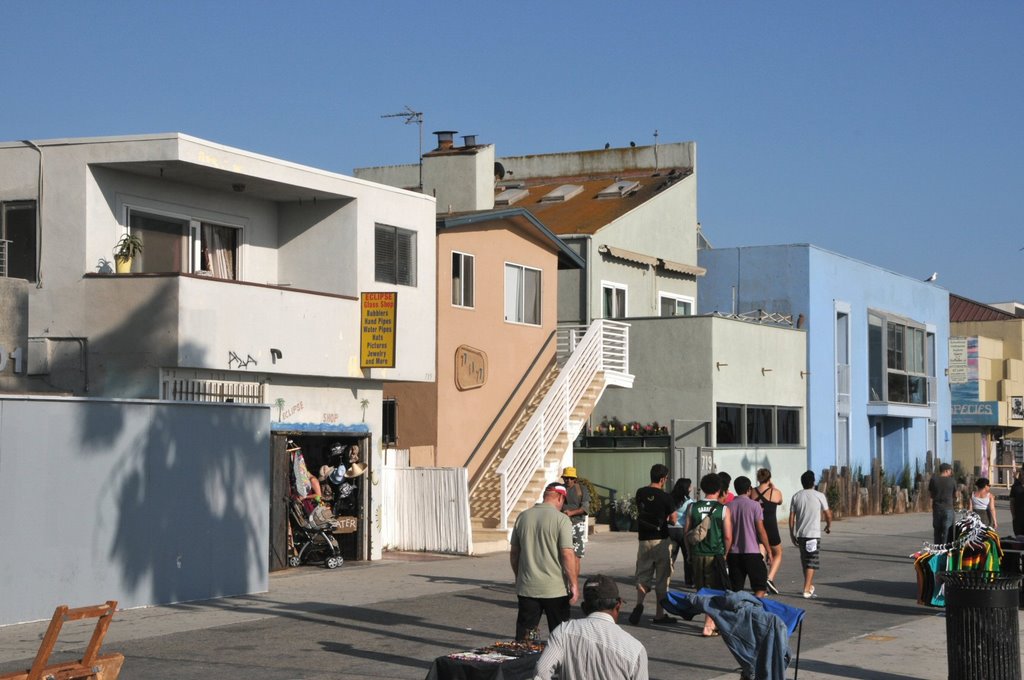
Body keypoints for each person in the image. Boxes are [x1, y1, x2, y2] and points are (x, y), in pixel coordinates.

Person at [532, 574, 649, 680]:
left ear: (583, 607)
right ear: (617, 606)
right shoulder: (635, 650)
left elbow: (541, 674)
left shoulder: (563, 632)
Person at [510, 482, 579, 641]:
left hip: (528, 587)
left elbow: (514, 553)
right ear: (561, 498)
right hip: (555, 589)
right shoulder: (562, 520)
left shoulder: (523, 516)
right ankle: (557, 664)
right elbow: (567, 554)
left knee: (527, 634)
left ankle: (525, 660)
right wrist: (574, 584)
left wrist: (518, 576)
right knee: (559, 635)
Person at [628, 464, 677, 626]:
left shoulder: (640, 493)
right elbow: (674, 519)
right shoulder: (666, 497)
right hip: (661, 540)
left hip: (644, 540)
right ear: (663, 479)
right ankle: (659, 614)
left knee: (643, 574)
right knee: (662, 578)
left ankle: (639, 604)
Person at [686, 472, 732, 636]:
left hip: (698, 553)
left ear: (703, 488)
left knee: (702, 588)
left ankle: (710, 621)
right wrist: (726, 553)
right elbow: (727, 536)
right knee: (715, 589)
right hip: (715, 554)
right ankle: (708, 625)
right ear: (719, 489)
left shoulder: (693, 507)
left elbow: (687, 533)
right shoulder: (723, 509)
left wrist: (690, 553)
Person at [789, 470, 832, 599]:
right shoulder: (819, 495)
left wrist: (792, 534)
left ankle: (809, 585)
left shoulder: (796, 496)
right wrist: (828, 525)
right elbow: (828, 513)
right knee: (811, 561)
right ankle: (806, 589)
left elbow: (792, 517)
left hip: (801, 534)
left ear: (802, 483)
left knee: (805, 560)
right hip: (813, 534)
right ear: (813, 482)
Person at [727, 476, 772, 597]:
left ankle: (736, 611)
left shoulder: (728, 506)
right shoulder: (755, 506)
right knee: (760, 587)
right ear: (749, 489)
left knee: (735, 589)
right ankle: (755, 609)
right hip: (752, 552)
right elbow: (761, 530)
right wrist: (769, 551)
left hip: (733, 553)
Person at [751, 468, 784, 594]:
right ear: (769, 479)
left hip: (757, 526)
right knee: (778, 553)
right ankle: (769, 578)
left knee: (761, 555)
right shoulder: (774, 492)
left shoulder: (752, 492)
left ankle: (761, 582)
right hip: (771, 526)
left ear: (758, 478)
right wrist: (773, 487)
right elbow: (780, 501)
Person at [561, 466, 590, 569]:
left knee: (576, 556)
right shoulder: (560, 489)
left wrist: (571, 513)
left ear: (575, 479)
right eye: (566, 478)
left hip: (577, 525)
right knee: (562, 555)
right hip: (562, 525)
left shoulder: (581, 489)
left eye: (571, 478)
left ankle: (574, 583)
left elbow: (585, 508)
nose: (568, 480)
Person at [667, 478, 694, 584]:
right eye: (690, 486)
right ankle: (689, 581)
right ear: (687, 488)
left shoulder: (669, 498)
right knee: (687, 556)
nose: (691, 488)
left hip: (670, 530)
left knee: (670, 557)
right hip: (683, 530)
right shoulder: (690, 502)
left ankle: (666, 579)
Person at [928, 463, 956, 544]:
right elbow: (954, 495)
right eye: (950, 470)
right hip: (948, 508)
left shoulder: (933, 480)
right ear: (946, 470)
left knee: (937, 530)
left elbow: (931, 494)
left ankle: (937, 549)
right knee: (947, 531)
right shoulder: (952, 481)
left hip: (937, 508)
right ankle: (945, 549)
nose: (951, 472)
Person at [1010, 470, 1024, 537]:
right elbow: (1012, 502)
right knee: (1019, 536)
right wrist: (1013, 515)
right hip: (1018, 516)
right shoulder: (1015, 486)